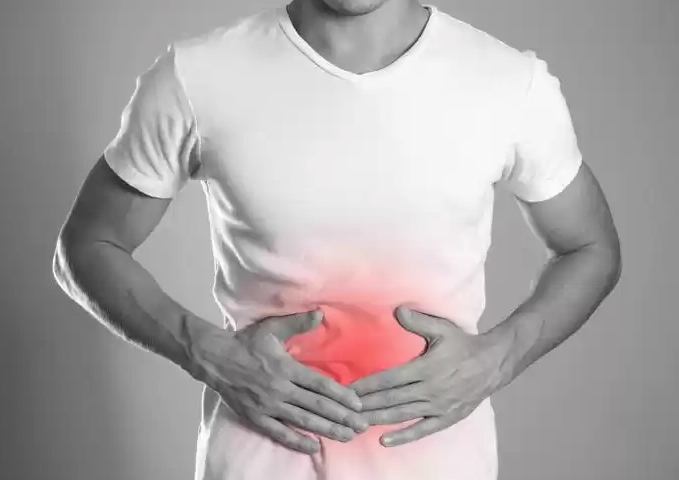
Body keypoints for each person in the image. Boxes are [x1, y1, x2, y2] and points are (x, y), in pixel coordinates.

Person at [52, 0, 622, 479]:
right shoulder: (199, 76)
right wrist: (203, 351)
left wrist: (501, 357)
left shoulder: (508, 83)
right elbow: (87, 245)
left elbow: (591, 248)